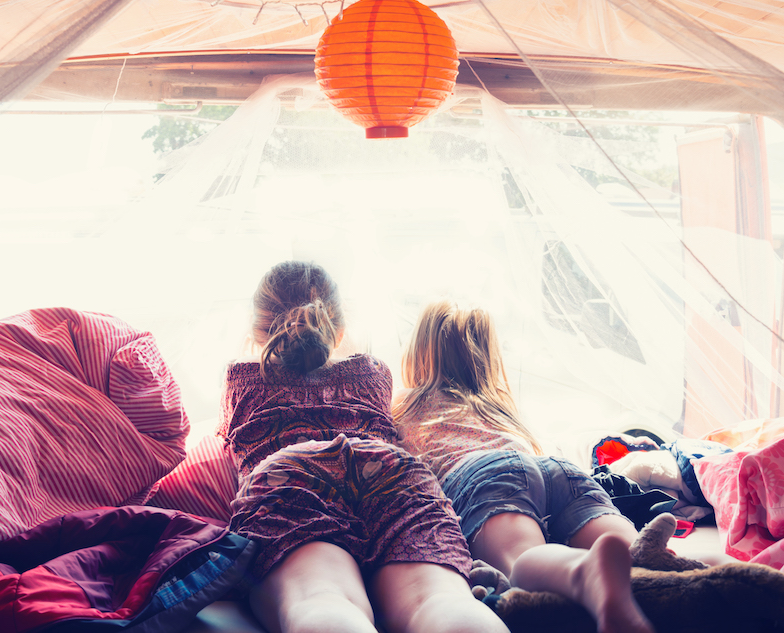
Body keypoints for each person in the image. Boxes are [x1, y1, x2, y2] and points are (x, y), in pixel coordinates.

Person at [217, 262, 509, 633]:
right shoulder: (374, 371)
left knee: (322, 599)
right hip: (389, 469)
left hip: (290, 474)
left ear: (257, 330)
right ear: (339, 329)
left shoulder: (240, 381)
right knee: (439, 601)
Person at [392, 300, 714, 633]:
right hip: (557, 471)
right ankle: (707, 576)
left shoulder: (406, 402)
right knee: (641, 556)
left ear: (419, 353)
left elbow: (387, 464)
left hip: (484, 477)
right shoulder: (500, 407)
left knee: (522, 561)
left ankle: (586, 572)